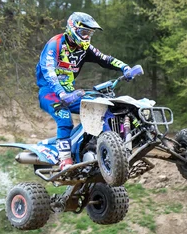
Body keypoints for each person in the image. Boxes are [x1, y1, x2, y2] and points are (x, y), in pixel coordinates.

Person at [36, 12, 133, 170]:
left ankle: (100, 149)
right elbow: (49, 72)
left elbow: (105, 59)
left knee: (99, 105)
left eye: (90, 33)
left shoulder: (85, 49)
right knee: (64, 117)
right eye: (84, 33)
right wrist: (62, 94)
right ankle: (65, 160)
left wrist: (125, 68)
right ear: (72, 29)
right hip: (49, 92)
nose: (87, 37)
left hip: (70, 92)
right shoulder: (56, 44)